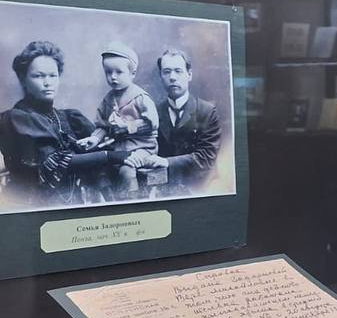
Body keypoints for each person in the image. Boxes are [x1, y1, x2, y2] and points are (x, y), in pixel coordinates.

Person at [0, 41, 125, 206]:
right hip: (30, 206)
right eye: (38, 76)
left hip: (73, 203)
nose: (47, 82)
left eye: (53, 75)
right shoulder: (17, 119)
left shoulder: (69, 118)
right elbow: (57, 163)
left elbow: (96, 158)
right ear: (23, 79)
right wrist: (109, 156)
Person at [125, 48, 222, 191]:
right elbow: (147, 147)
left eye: (178, 71)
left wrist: (166, 162)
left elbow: (206, 157)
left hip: (202, 185)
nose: (172, 77)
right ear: (161, 76)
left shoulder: (207, 111)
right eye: (166, 72)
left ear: (189, 75)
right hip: (165, 187)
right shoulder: (153, 113)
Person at [76, 41, 158, 197]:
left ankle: (131, 200)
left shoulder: (141, 97)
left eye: (119, 72)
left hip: (142, 147)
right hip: (118, 149)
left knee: (127, 170)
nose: (112, 77)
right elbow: (102, 125)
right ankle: (109, 200)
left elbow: (152, 124)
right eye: (108, 72)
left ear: (132, 73)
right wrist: (95, 138)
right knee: (99, 168)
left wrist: (128, 126)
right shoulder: (108, 99)